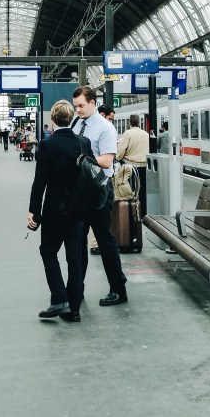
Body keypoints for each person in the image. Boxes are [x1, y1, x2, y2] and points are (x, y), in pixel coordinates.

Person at [27, 99, 90, 323]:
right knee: (75, 258)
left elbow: (39, 182)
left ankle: (59, 298)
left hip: (54, 209)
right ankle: (74, 310)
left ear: (52, 119)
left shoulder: (47, 145)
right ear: (72, 118)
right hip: (79, 210)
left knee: (48, 251)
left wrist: (33, 211)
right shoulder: (83, 142)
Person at [72, 84, 128, 306]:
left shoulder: (105, 128)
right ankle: (77, 289)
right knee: (77, 242)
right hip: (79, 191)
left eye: (81, 106)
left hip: (99, 190)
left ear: (93, 103)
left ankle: (118, 289)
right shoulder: (77, 123)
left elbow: (107, 160)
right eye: (76, 106)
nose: (78, 110)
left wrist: (81, 160)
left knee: (105, 240)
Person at [117, 113, 150, 217]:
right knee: (142, 191)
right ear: (139, 122)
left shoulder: (128, 133)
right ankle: (143, 213)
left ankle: (132, 214)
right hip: (144, 167)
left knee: (130, 191)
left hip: (130, 167)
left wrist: (117, 158)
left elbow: (121, 150)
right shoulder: (146, 134)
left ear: (129, 122)